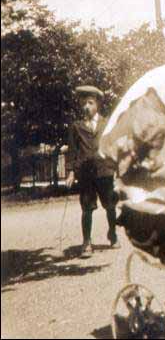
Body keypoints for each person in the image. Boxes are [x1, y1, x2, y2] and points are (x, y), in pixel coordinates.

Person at [66, 85, 119, 258]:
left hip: (105, 171)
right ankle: (86, 241)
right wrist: (71, 172)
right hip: (86, 174)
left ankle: (112, 233)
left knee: (110, 206)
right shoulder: (76, 126)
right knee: (86, 208)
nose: (86, 107)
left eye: (90, 103)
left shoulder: (107, 123)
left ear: (97, 105)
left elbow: (114, 145)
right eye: (83, 104)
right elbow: (72, 151)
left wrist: (117, 167)